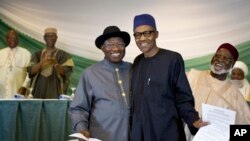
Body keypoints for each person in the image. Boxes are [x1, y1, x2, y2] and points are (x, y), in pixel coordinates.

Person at [130, 14, 207, 141]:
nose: (142, 38)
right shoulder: (137, 62)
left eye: (147, 33)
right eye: (137, 35)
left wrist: (193, 119)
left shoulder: (172, 59)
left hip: (166, 131)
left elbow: (182, 95)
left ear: (156, 34)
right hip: (141, 131)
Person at [69, 26, 131, 141]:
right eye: (110, 45)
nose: (116, 48)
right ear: (102, 48)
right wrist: (81, 129)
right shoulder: (90, 73)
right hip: (102, 136)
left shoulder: (133, 69)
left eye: (120, 44)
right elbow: (78, 108)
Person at [185, 43, 250, 140]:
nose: (220, 59)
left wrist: (226, 134)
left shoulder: (236, 95)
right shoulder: (192, 76)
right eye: (218, 55)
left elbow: (245, 131)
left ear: (232, 65)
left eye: (226, 58)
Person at [28, 27, 74, 99]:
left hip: (56, 90)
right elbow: (30, 72)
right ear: (44, 38)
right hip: (38, 89)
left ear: (56, 37)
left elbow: (66, 73)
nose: (50, 38)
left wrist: (55, 64)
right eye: (48, 36)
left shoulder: (64, 55)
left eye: (52, 36)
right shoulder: (37, 54)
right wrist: (41, 62)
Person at [0, 30, 31, 99]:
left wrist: (24, 87)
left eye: (14, 38)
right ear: (6, 39)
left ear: (18, 39)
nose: (12, 40)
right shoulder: (1, 53)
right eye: (10, 38)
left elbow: (30, 74)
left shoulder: (26, 53)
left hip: (18, 92)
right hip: (1, 92)